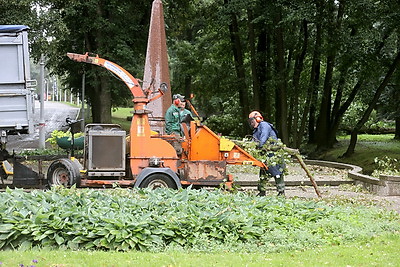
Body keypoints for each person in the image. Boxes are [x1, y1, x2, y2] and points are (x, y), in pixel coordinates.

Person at [248, 111, 285, 196]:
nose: (251, 123)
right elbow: (253, 141)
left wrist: (260, 145)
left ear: (257, 119)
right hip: (265, 154)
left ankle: (281, 192)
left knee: (277, 172)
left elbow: (263, 137)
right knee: (263, 172)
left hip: (274, 154)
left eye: (252, 121)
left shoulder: (264, 125)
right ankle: (262, 191)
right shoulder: (255, 130)